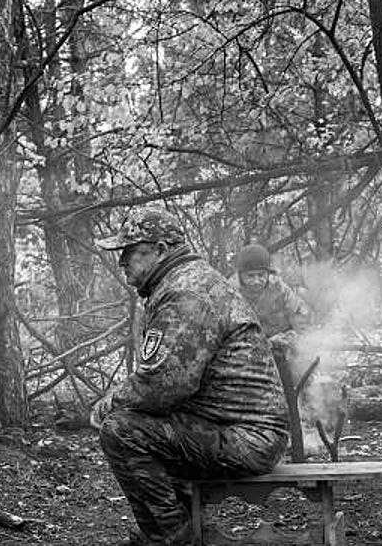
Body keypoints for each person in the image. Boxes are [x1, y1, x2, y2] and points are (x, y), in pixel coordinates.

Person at [92, 205, 288, 546]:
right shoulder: (184, 283)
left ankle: (174, 539)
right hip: (236, 427)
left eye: (131, 252)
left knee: (122, 431)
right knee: (144, 426)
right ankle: (186, 529)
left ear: (161, 251)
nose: (122, 262)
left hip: (248, 437)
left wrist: (107, 404)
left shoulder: (186, 292)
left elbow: (163, 387)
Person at [230, 243, 314, 352]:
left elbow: (301, 316)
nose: (256, 281)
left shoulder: (278, 288)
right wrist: (267, 343)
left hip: (281, 345)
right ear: (240, 276)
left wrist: (294, 338)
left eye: (261, 275)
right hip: (247, 350)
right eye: (250, 276)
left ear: (268, 274)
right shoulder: (231, 293)